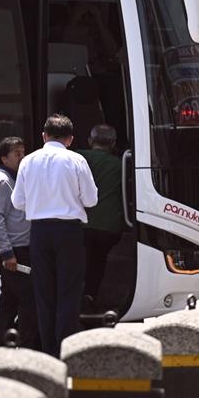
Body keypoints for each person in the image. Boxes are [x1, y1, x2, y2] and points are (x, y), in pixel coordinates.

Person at [11, 115, 98, 356]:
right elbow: (91, 199)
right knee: (69, 292)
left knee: (44, 293)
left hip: (39, 231)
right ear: (70, 139)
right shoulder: (77, 160)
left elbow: (18, 202)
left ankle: (48, 352)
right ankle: (65, 350)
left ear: (44, 136)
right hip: (69, 232)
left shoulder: (28, 161)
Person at [0, 137, 38, 349]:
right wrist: (7, 253)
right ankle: (24, 344)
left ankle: (5, 343)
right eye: (17, 154)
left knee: (10, 296)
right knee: (27, 295)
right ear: (4, 158)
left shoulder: (13, 178)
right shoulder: (1, 182)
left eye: (23, 152)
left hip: (18, 247)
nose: (22, 157)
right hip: (13, 249)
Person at [76, 124, 125, 307]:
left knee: (81, 260)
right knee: (98, 259)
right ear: (113, 144)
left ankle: (78, 294)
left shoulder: (79, 158)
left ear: (90, 141)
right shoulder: (120, 164)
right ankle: (90, 294)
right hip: (109, 227)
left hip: (81, 224)